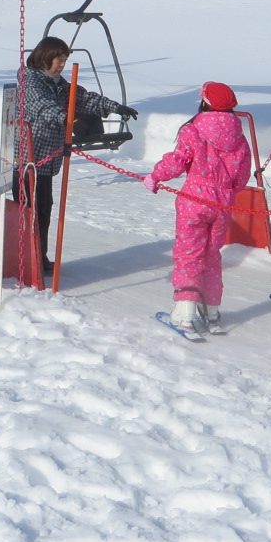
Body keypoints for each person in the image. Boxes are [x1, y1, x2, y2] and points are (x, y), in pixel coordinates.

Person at [18, 36, 136, 273]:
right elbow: (42, 108)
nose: (61, 64)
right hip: (29, 160)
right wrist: (70, 120)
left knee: (44, 210)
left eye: (64, 60)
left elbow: (82, 98)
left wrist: (114, 107)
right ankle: (27, 260)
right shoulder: (31, 82)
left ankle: (40, 257)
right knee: (30, 212)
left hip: (48, 161)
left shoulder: (57, 83)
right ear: (45, 57)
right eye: (58, 59)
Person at [143, 81, 252, 338]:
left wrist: (155, 176)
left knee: (188, 255)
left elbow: (178, 161)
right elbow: (242, 175)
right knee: (211, 256)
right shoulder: (239, 137)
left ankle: (185, 313)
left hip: (194, 201)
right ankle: (212, 311)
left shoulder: (194, 130)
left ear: (204, 102)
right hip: (222, 204)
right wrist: (227, 191)